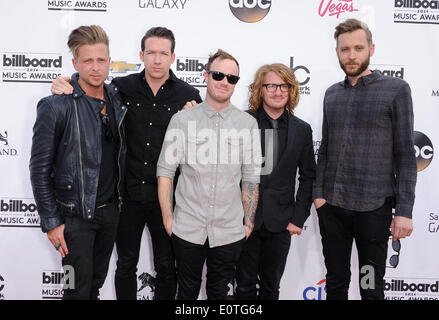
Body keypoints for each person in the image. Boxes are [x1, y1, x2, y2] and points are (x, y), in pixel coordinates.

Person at [51, 26, 202, 300]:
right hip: (126, 198)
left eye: (163, 53)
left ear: (173, 57)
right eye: (151, 53)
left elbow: (200, 149)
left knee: (167, 267)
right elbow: (87, 90)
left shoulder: (188, 95)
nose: (157, 59)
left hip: (167, 200)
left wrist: (196, 121)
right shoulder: (121, 88)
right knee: (124, 266)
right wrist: (67, 84)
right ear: (141, 54)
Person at [313, 19, 417, 300]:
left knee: (370, 285)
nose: (351, 55)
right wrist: (319, 196)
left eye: (358, 48)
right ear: (337, 52)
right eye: (345, 49)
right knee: (335, 281)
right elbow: (325, 149)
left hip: (373, 209)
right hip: (332, 208)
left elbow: (406, 154)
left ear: (371, 48)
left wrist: (404, 210)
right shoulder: (331, 94)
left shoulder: (395, 90)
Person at [30, 25, 127, 300]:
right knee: (74, 290)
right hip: (74, 220)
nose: (95, 68)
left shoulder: (117, 98)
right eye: (87, 61)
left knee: (94, 288)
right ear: (75, 63)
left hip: (109, 215)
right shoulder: (56, 105)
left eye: (101, 60)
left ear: (110, 61)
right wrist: (51, 221)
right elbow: (39, 170)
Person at [157, 49, 261, 300]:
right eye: (218, 75)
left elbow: (251, 178)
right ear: (205, 76)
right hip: (187, 227)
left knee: (219, 293)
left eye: (232, 78)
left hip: (229, 230)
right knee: (187, 293)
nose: (224, 82)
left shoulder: (247, 124)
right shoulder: (182, 120)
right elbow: (165, 173)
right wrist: (168, 219)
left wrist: (248, 222)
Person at [235, 63, 316, 300]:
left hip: (281, 223)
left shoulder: (302, 129)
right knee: (244, 286)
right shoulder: (243, 122)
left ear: (291, 90)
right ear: (260, 90)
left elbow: (309, 175)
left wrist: (297, 218)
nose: (277, 91)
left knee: (271, 287)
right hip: (244, 218)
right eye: (271, 85)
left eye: (284, 86)